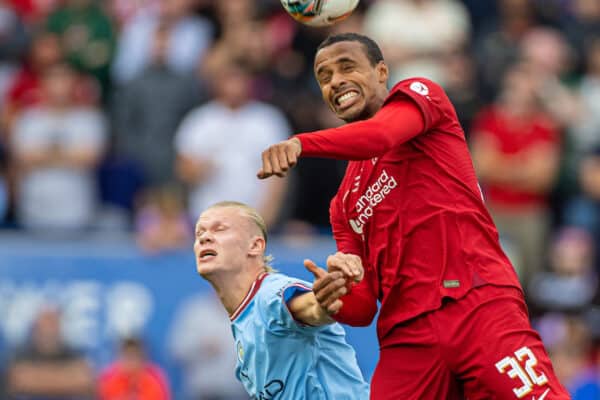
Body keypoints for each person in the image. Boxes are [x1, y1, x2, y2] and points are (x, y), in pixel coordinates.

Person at [257, 33, 570, 400]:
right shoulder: (343, 203)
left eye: (346, 67)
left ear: (381, 72)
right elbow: (361, 309)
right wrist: (336, 295)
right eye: (324, 77)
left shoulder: (422, 96)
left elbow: (381, 135)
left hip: (477, 304)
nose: (335, 81)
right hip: (407, 337)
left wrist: (301, 143)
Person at [193, 201, 369, 399]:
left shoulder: (270, 295)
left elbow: (308, 308)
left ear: (255, 246)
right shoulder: (243, 321)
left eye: (220, 229)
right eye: (199, 233)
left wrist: (322, 305)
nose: (205, 238)